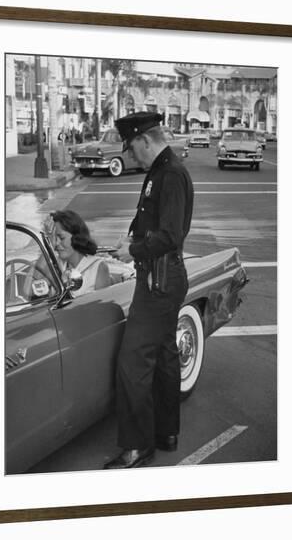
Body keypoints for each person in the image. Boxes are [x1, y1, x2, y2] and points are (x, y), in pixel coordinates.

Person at [104, 111, 194, 470]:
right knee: (165, 355)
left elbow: (172, 234)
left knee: (132, 363)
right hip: (163, 276)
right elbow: (152, 221)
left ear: (145, 140)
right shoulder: (161, 169)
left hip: (158, 280)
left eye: (131, 148)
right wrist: (130, 240)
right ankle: (166, 432)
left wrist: (134, 251)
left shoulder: (169, 173)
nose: (130, 156)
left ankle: (137, 447)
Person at [24, 210, 111, 298]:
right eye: (54, 239)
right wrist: (48, 246)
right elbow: (28, 292)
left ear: (77, 237)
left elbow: (102, 307)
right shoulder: (56, 265)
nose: (56, 243)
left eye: (61, 238)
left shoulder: (98, 267)